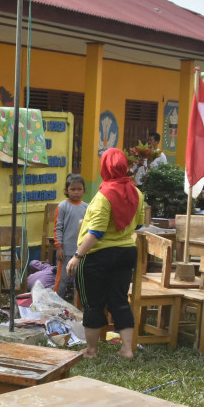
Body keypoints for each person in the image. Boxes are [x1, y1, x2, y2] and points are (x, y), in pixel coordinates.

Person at [65, 148, 141, 359]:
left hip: (98, 257)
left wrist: (77, 255)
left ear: (105, 168)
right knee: (119, 300)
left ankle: (91, 350)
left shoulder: (103, 196)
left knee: (93, 303)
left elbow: (96, 233)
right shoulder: (137, 193)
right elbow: (140, 222)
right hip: (126, 253)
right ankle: (126, 349)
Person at [53, 173, 87, 302]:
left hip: (80, 251)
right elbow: (58, 227)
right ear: (67, 190)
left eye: (79, 189)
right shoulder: (62, 206)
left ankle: (76, 305)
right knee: (62, 279)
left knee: (79, 281)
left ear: (84, 190)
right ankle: (55, 303)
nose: (76, 192)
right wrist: (59, 247)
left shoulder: (87, 207)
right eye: (73, 189)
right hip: (65, 251)